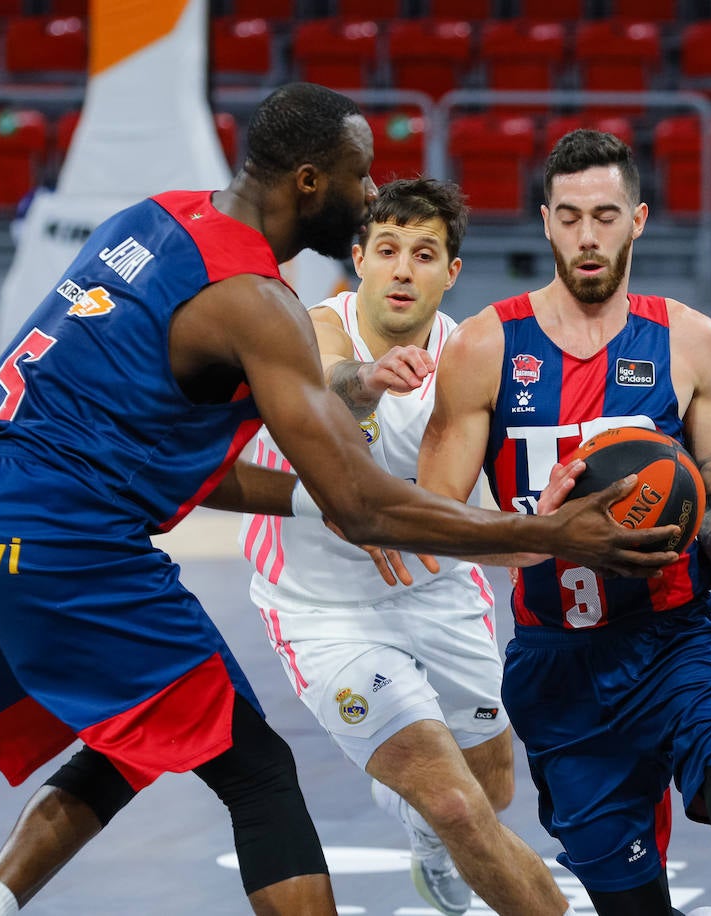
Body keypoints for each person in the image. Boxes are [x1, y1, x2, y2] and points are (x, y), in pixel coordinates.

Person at [0, 84, 680, 916]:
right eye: (360, 174)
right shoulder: (258, 300)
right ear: (310, 181)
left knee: (134, 739)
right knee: (259, 774)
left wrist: (326, 480)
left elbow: (181, 462)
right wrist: (552, 534)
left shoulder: (153, 219)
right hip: (54, 529)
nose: (372, 192)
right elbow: (365, 507)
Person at [415, 128, 711, 916]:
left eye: (607, 215)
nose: (589, 236)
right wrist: (535, 531)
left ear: (639, 219)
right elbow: (432, 517)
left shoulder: (690, 340)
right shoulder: (484, 347)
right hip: (560, 669)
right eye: (572, 215)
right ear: (545, 221)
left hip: (681, 642)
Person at [238, 177, 571, 916]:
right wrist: (369, 381)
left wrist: (532, 533)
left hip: (435, 589)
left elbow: (455, 515)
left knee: (492, 788)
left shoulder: (471, 355)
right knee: (456, 803)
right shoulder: (309, 325)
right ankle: (438, 825)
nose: (401, 269)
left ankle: (423, 835)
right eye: (386, 249)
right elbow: (328, 386)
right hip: (323, 611)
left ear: (451, 272)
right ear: (358, 258)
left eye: (424, 254)